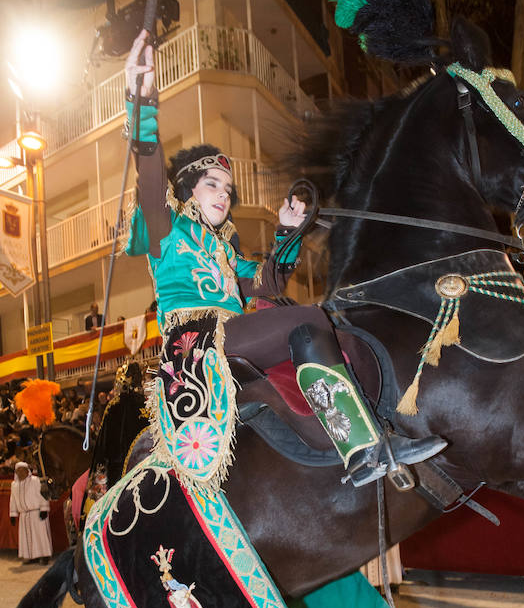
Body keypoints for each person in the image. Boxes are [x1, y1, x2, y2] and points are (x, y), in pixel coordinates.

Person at [124, 30, 444, 487]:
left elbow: (269, 282)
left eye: (227, 189)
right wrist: (142, 104)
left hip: (232, 335)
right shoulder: (165, 228)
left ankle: (360, 445)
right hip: (195, 345)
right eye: (212, 184)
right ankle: (364, 445)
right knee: (307, 318)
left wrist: (289, 231)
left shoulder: (225, 249)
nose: (223, 194)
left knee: (318, 329)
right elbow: (150, 173)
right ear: (187, 189)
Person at [9, 461, 52, 564]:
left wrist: (44, 509)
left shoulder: (35, 481)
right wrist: (13, 514)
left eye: (22, 470)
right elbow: (13, 500)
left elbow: (43, 494)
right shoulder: (14, 485)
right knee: (26, 537)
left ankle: (45, 556)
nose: (20, 473)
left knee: (40, 536)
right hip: (24, 515)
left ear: (27, 471)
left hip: (37, 513)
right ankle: (31, 556)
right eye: (18, 471)